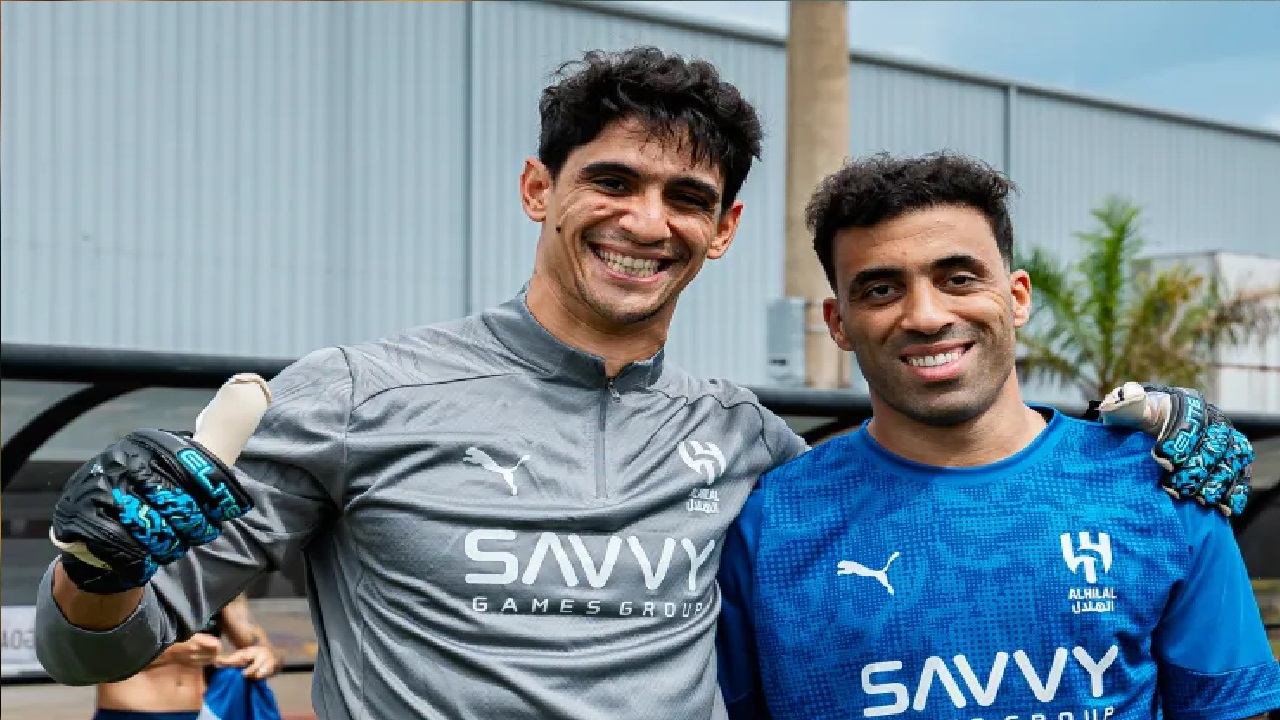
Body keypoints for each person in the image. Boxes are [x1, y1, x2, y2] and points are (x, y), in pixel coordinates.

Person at [36, 48, 1250, 720]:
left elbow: (934, 477)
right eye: (610, 181)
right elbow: (91, 652)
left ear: (722, 231)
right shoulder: (354, 394)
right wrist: (95, 566)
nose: (644, 221)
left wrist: (1168, 454)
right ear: (539, 189)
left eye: (685, 198)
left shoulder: (750, 446)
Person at [715, 152, 1280, 720]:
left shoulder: (1164, 490)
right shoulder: (768, 526)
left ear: (1017, 297)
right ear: (838, 323)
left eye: (958, 279)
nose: (927, 316)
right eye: (882, 290)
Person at [94, 594, 281, 720]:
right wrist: (170, 652)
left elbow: (265, 649)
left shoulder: (219, 567)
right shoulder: (124, 558)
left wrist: (264, 657)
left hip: (202, 711)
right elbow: (91, 655)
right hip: (131, 712)